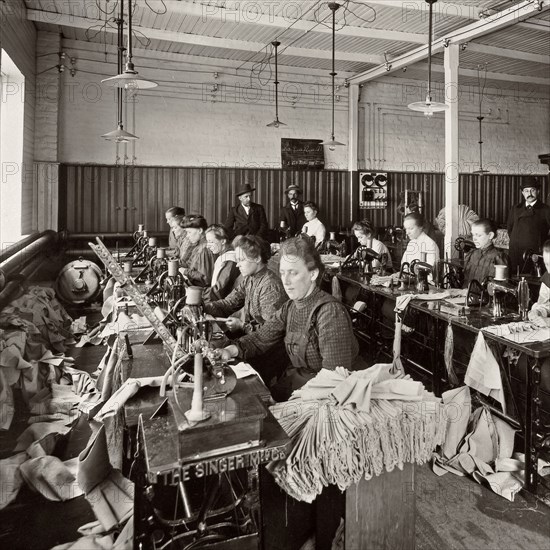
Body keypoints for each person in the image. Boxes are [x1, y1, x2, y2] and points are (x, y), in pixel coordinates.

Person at [219, 236, 364, 402]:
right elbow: (260, 338)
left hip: (325, 397)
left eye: (293, 273)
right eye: (282, 273)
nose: (286, 281)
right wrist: (229, 351)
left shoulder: (330, 313)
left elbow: (333, 379)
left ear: (313, 274)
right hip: (299, 384)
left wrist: (293, 401)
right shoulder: (290, 307)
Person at [204, 235, 286, 334]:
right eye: (237, 260)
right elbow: (229, 304)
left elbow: (271, 332)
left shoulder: (270, 287)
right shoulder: (249, 279)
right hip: (253, 340)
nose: (237, 265)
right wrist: (203, 308)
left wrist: (242, 326)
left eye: (242, 260)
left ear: (257, 259)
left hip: (268, 347)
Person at [507, 177, 550, 274]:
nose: (529, 194)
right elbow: (510, 229)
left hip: (534, 256)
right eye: (526, 191)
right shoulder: (516, 209)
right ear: (522, 193)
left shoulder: (546, 210)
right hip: (516, 254)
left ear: (538, 191)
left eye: (532, 190)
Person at [463, 218, 509, 287]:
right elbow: (466, 281)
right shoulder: (472, 254)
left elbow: (500, 288)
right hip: (467, 295)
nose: (474, 239)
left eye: (478, 235)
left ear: (490, 235)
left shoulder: (498, 258)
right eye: (473, 235)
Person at [202, 224, 240, 302]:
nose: (207, 246)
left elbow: (218, 291)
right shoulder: (223, 256)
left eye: (211, 242)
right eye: (207, 242)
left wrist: (197, 293)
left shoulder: (230, 260)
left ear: (223, 241)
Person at [178, 214, 214, 287]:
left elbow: (205, 279)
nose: (187, 236)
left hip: (199, 292)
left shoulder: (204, 249)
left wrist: (185, 271)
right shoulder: (197, 245)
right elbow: (190, 265)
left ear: (200, 230)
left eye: (189, 232)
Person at [528, 239, 550, 323]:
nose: (549, 271)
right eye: (547, 264)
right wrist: (538, 312)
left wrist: (548, 321)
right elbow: (545, 304)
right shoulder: (548, 278)